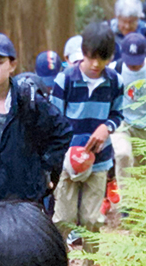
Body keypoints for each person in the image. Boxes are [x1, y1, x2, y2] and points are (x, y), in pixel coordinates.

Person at [0, 31, 73, 205]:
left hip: (26, 198)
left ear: (12, 65)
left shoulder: (29, 99)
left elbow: (62, 131)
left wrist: (43, 169)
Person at [49, 22, 125, 233]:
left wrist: (106, 128)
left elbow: (118, 113)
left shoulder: (115, 81)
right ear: (83, 52)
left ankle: (92, 265)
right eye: (91, 57)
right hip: (67, 160)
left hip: (99, 159)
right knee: (64, 219)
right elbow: (54, 119)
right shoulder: (65, 80)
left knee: (92, 220)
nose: (95, 64)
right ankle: (59, 264)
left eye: (102, 59)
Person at [110, 29, 146, 182]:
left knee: (143, 171)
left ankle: (140, 203)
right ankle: (125, 202)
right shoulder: (115, 70)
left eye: (137, 61)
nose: (133, 66)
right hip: (122, 122)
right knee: (123, 154)